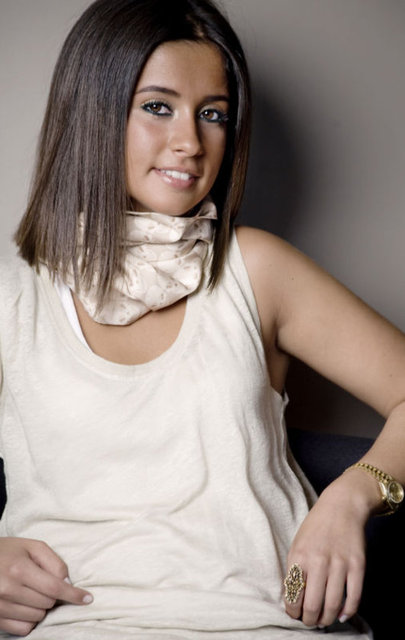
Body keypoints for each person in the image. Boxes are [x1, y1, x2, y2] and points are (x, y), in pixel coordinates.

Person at [0, 0, 404, 638]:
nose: (191, 142)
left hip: (264, 625)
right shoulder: (13, 297)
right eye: (157, 107)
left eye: (213, 114)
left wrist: (354, 494)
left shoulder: (257, 269)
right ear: (92, 111)